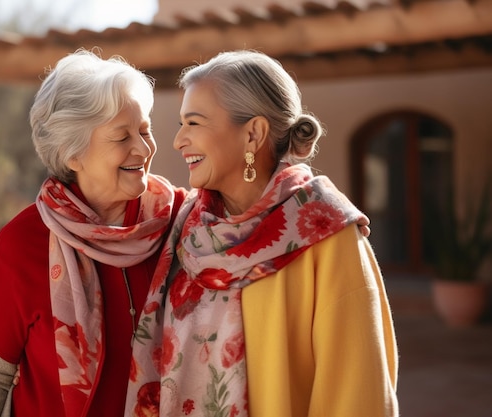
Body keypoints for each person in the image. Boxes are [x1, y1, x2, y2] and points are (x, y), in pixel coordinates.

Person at [126, 50, 398, 417]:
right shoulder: (187, 229)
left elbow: (358, 395)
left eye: (193, 123)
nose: (178, 141)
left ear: (253, 133)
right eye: (180, 124)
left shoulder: (327, 237)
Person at [0, 48, 190, 417]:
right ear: (72, 154)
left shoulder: (182, 220)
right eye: (121, 136)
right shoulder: (21, 246)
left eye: (144, 129)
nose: (143, 148)